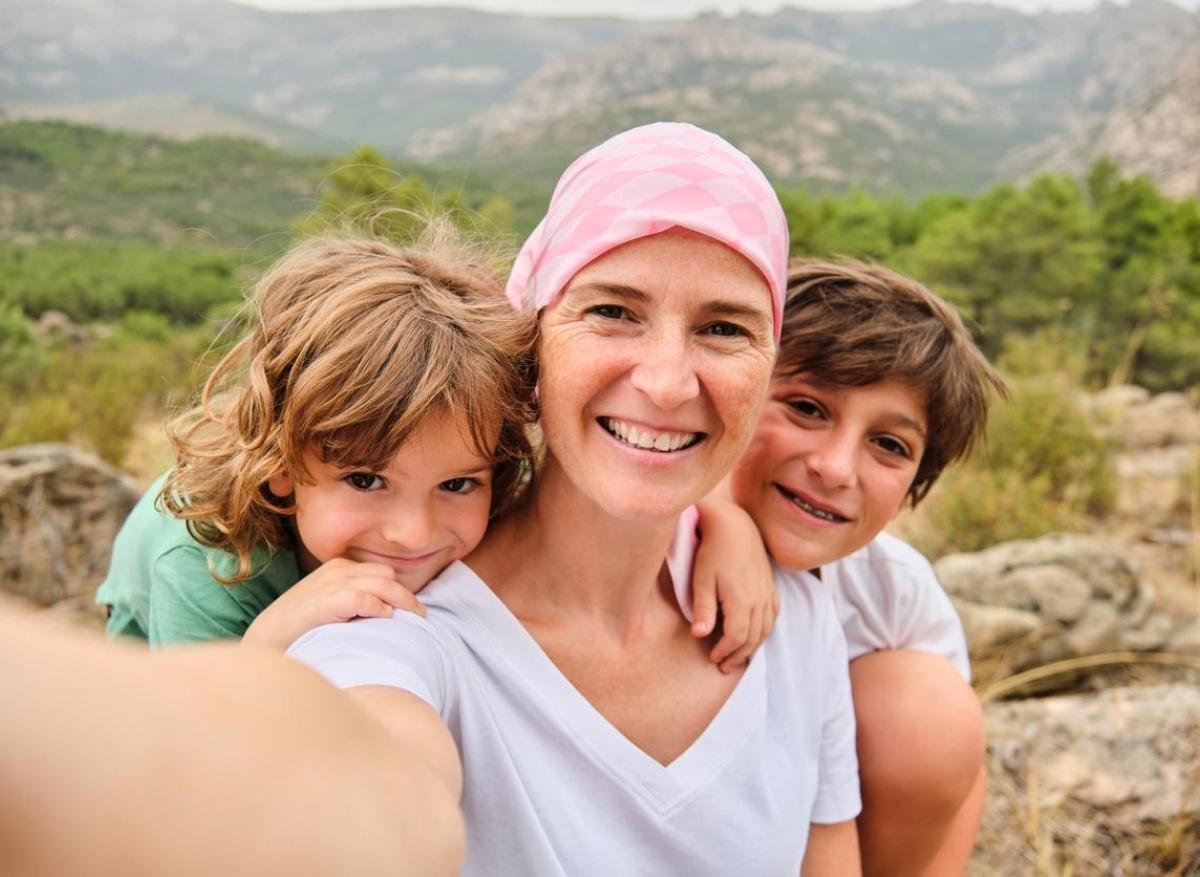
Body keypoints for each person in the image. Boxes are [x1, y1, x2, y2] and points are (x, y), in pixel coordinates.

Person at [286, 122, 863, 874]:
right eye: (613, 311)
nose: (665, 382)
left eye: (723, 328)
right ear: (533, 339)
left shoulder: (797, 620)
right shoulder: (396, 630)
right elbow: (381, 792)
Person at [96, 229, 773, 662]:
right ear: (281, 472)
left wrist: (723, 519)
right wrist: (273, 637)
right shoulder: (207, 561)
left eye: (457, 485)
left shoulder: (471, 453)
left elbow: (608, 476)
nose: (413, 532)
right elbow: (199, 734)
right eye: (365, 480)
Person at [722, 258, 1006, 876]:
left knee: (928, 706)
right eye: (806, 407)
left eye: (889, 445)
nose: (836, 467)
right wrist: (719, 518)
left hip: (827, 844)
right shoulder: (640, 534)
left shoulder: (894, 592)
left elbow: (956, 767)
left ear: (913, 488)